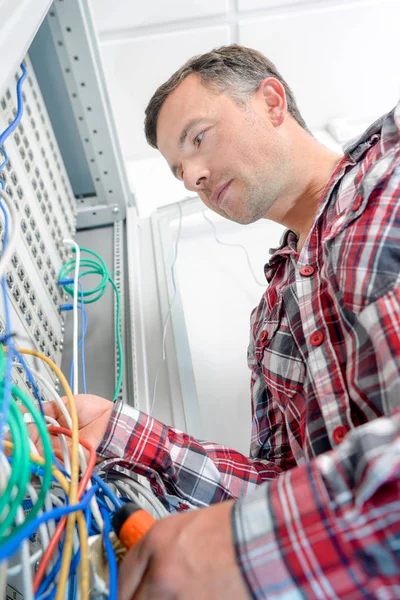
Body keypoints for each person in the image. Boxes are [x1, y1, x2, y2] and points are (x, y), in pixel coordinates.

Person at [46, 45, 400, 598]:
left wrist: (242, 544)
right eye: (178, 170)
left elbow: (268, 529)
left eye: (197, 139)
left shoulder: (389, 175)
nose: (193, 176)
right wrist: (123, 432)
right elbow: (276, 490)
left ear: (271, 101)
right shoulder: (270, 326)